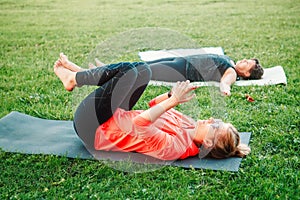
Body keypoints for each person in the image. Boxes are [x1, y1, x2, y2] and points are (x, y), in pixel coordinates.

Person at [54, 53, 251, 161]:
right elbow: (154, 105)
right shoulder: (189, 125)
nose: (210, 120)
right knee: (143, 71)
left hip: (93, 128)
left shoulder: (175, 149)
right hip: (115, 115)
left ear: (208, 143)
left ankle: (76, 77)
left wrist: (172, 102)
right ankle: (81, 75)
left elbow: (140, 123)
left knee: (131, 72)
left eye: (215, 126)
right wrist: (169, 96)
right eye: (217, 121)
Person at [146, 54, 264, 96]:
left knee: (145, 70)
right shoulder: (231, 62)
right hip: (181, 60)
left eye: (247, 63)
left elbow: (226, 82)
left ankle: (127, 73)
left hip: (182, 70)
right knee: (144, 65)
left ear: (247, 73)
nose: (244, 59)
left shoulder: (232, 72)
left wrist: (225, 90)